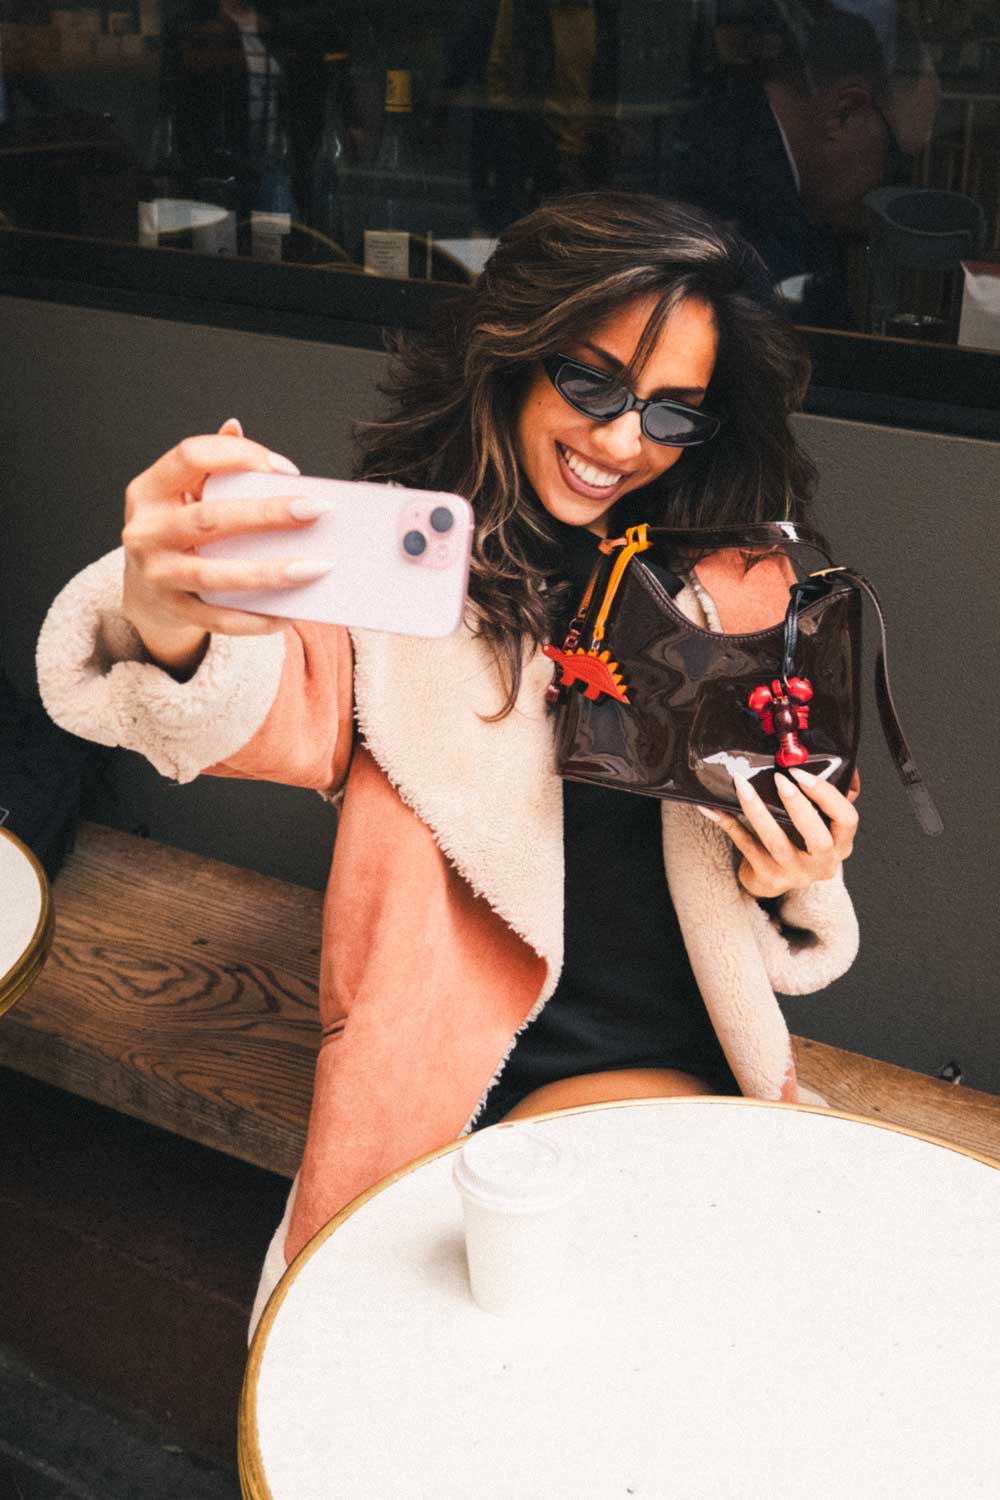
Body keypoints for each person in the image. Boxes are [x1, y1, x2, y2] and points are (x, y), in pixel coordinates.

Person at [36, 192, 860, 1339]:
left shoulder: (731, 587)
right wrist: (167, 612)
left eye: (672, 414)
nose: (623, 441)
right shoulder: (406, 577)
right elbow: (243, 702)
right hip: (461, 1101)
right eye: (591, 383)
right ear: (514, 356)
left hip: (691, 1081)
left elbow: (786, 886)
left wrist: (795, 870)